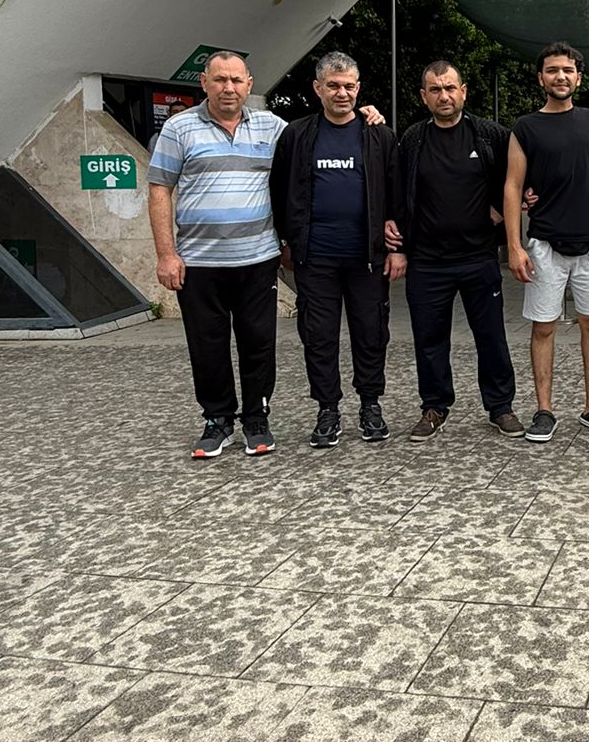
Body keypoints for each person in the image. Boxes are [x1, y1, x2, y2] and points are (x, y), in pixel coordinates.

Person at [148, 50, 286, 459]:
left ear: (249, 84)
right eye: (220, 79)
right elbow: (159, 190)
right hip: (199, 263)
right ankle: (217, 420)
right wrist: (166, 254)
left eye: (236, 80)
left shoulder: (272, 127)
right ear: (204, 83)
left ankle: (256, 419)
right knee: (207, 346)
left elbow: (315, 144)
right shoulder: (179, 128)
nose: (229, 88)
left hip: (257, 259)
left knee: (258, 343)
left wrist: (367, 118)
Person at [270, 51, 404, 449]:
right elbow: (279, 190)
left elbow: (396, 194)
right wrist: (286, 240)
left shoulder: (379, 135)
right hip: (315, 259)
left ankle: (370, 405)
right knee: (318, 336)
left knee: (371, 334)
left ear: (358, 88)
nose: (341, 93)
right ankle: (327, 409)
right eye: (333, 86)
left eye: (348, 86)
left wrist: (398, 248)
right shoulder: (297, 135)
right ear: (318, 88)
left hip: (367, 258)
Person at [395, 58, 523, 440]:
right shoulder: (412, 140)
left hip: (478, 257)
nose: (444, 96)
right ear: (424, 96)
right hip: (427, 260)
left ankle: (500, 407)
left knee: (491, 336)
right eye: (435, 90)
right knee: (429, 340)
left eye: (450, 88)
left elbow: (519, 175)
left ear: (463, 91)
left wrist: (504, 208)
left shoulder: (490, 135)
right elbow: (398, 191)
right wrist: (397, 243)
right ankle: (434, 407)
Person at [504, 43, 589, 441]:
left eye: (568, 70)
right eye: (552, 70)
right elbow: (513, 186)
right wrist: (515, 245)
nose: (560, 76)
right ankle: (544, 411)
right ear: (541, 78)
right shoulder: (525, 127)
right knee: (543, 327)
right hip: (544, 242)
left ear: (578, 78)